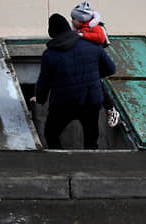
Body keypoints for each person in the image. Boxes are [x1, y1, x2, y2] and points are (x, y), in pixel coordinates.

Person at [30, 13, 116, 150]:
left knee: (51, 133)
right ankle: (91, 166)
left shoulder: (50, 54)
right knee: (91, 138)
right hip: (91, 100)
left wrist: (40, 98)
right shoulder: (92, 45)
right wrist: (92, 75)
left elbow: (44, 81)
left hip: (63, 103)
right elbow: (111, 69)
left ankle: (62, 162)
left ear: (52, 33)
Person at [70, 1, 121, 128]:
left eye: (74, 19)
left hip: (95, 62)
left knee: (98, 85)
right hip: (87, 63)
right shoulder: (79, 28)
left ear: (81, 19)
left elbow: (100, 38)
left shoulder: (93, 27)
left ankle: (111, 109)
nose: (71, 21)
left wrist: (82, 35)